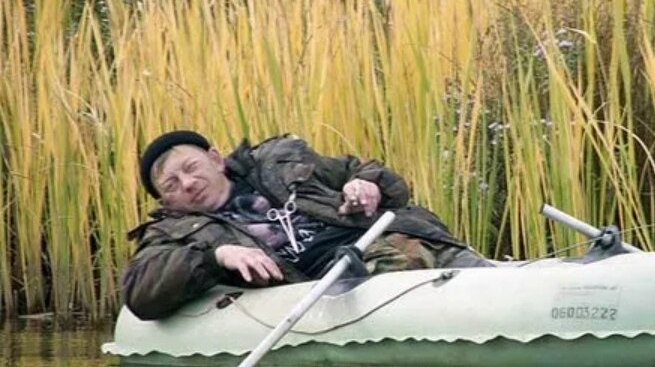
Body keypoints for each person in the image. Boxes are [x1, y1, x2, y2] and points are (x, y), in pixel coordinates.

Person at [122, 130, 490, 320]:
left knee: (457, 263)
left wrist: (365, 184)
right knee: (396, 260)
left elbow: (368, 173)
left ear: (215, 160)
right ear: (166, 201)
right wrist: (216, 256)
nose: (187, 184)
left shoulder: (278, 161)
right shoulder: (169, 233)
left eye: (191, 169)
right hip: (335, 277)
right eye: (171, 185)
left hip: (391, 234)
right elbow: (140, 292)